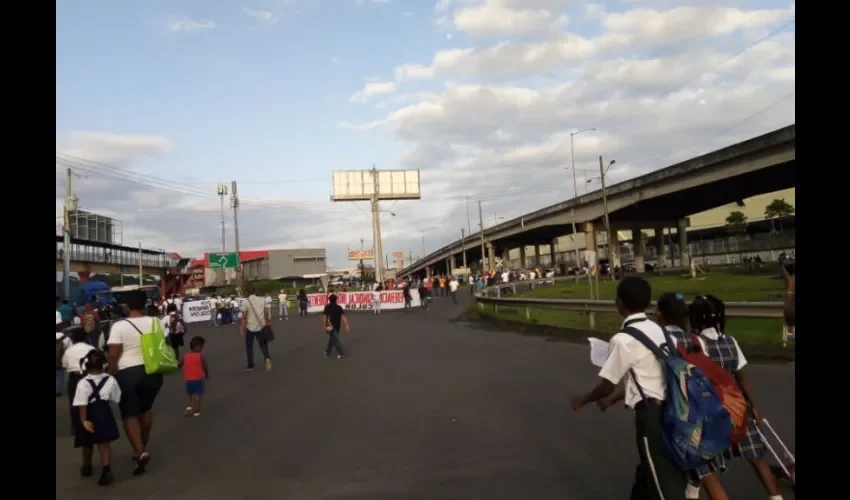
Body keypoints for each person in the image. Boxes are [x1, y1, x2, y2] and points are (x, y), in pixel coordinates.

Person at [571, 277, 686, 500]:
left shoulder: (623, 340)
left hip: (651, 419)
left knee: (665, 487)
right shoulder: (661, 331)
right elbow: (650, 377)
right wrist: (613, 400)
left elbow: (606, 386)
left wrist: (583, 400)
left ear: (620, 303)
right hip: (674, 410)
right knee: (647, 476)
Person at [690, 295, 784, 500]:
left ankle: (692, 493)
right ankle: (775, 497)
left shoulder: (696, 343)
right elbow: (741, 375)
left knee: (705, 465)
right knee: (756, 457)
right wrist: (754, 407)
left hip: (712, 412)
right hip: (738, 407)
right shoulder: (730, 341)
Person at [647, 293, 729, 500]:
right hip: (700, 413)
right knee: (702, 476)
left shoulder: (661, 340)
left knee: (684, 475)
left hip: (676, 416)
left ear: (660, 313)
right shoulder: (697, 340)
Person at [106, 290, 164, 476]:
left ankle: (140, 452)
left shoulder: (119, 326)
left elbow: (114, 353)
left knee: (129, 414)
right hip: (153, 372)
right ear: (145, 303)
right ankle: (142, 446)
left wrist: (110, 371)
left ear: (127, 305)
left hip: (127, 373)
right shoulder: (156, 322)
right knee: (145, 410)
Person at [73, 350, 121, 486]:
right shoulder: (110, 379)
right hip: (104, 412)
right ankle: (106, 469)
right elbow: (116, 398)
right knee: (104, 443)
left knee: (87, 441)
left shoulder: (83, 383)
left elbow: (82, 402)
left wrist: (83, 420)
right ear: (104, 365)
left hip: (88, 413)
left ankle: (86, 465)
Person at [63, 327, 96, 434]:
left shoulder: (69, 351)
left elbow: (64, 364)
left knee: (74, 402)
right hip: (89, 376)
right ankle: (91, 421)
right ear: (86, 337)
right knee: (91, 400)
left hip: (74, 377)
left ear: (72, 339)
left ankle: (76, 425)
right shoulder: (91, 348)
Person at [241, 284, 272, 372]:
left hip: (250, 327)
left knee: (249, 347)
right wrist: (265, 321)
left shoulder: (246, 302)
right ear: (255, 292)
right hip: (261, 326)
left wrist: (242, 328)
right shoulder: (262, 300)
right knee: (263, 345)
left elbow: (244, 316)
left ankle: (250, 365)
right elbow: (266, 313)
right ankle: (267, 358)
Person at [182, 336, 209, 417]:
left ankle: (188, 409)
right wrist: (207, 375)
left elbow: (179, 363)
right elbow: (205, 367)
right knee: (197, 394)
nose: (202, 348)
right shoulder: (200, 356)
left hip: (188, 379)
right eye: (202, 346)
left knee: (189, 395)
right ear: (198, 347)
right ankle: (196, 410)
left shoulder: (186, 356)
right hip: (198, 379)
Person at [322, 294, 350, 359]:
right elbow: (343, 317)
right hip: (337, 326)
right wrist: (347, 325)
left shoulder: (327, 307)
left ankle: (341, 354)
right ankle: (327, 352)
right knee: (333, 338)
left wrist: (324, 326)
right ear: (336, 300)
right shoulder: (339, 307)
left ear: (329, 300)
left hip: (330, 326)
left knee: (335, 340)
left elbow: (325, 318)